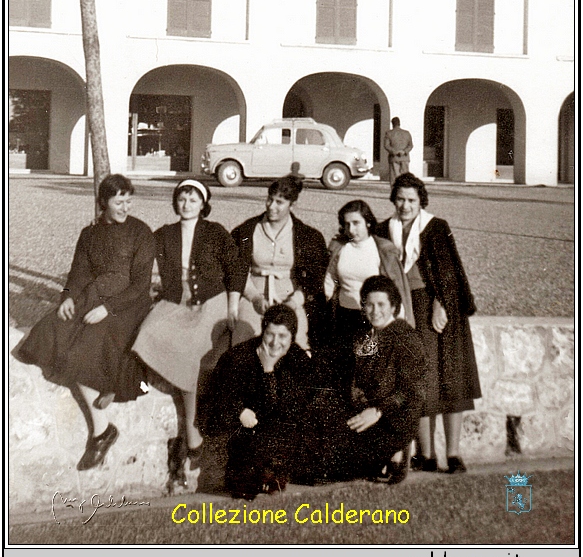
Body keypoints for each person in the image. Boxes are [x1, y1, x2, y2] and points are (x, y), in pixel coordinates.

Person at [16, 174, 155, 471]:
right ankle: (103, 384)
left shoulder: (141, 232)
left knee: (86, 344)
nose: (125, 208)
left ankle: (101, 430)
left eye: (129, 201)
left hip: (128, 305)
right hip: (94, 298)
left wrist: (107, 308)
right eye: (118, 202)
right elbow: (78, 272)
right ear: (103, 202)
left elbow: (141, 285)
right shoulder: (89, 234)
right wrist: (66, 298)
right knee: (51, 329)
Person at [132, 179, 247, 488]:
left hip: (211, 303)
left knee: (191, 355)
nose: (186, 204)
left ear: (203, 204)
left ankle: (194, 435)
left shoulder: (216, 232)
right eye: (182, 198)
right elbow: (136, 254)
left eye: (193, 199)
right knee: (145, 332)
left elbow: (237, 268)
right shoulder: (163, 234)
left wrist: (233, 306)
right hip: (175, 301)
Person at [377, 172, 481, 474]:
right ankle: (427, 454)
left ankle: (453, 453)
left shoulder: (436, 227)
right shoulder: (384, 229)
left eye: (411, 200)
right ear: (393, 200)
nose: (405, 205)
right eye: (400, 199)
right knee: (419, 380)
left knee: (450, 378)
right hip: (403, 310)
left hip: (435, 308)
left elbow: (449, 272)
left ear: (421, 201)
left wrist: (442, 304)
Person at [306, 276, 426, 485]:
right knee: (318, 458)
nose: (375, 310)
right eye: (369, 304)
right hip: (364, 414)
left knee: (335, 466)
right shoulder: (366, 337)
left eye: (381, 304)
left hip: (392, 420)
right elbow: (355, 374)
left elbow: (411, 391)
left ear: (393, 306)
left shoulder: (406, 337)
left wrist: (378, 411)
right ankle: (378, 459)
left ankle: (396, 453)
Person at [205, 304, 313, 499]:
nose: (274, 343)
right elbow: (218, 398)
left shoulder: (298, 359)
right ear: (262, 332)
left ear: (292, 337)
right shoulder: (239, 357)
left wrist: (268, 370)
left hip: (281, 438)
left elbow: (289, 408)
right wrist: (239, 411)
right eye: (270, 334)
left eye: (282, 336)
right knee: (245, 487)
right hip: (246, 437)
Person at [231, 175, 329, 351]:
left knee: (297, 341)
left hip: (289, 297)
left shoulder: (308, 236)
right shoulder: (247, 230)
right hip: (253, 294)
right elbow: (236, 270)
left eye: (279, 202)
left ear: (292, 205)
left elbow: (315, 279)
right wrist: (255, 298)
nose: (271, 206)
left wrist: (293, 302)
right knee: (244, 338)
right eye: (270, 199)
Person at [324, 199, 414, 349]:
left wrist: (399, 324)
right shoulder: (339, 248)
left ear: (368, 222)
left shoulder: (383, 250)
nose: (351, 229)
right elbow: (329, 280)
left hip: (373, 317)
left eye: (356, 223)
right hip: (344, 316)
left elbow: (396, 289)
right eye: (347, 224)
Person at [384, 116, 413, 185]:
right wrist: (404, 151)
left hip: (394, 158)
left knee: (394, 178)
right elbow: (410, 145)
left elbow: (386, 146)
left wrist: (394, 151)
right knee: (405, 177)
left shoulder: (389, 133)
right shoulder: (407, 133)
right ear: (399, 123)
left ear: (392, 124)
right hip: (404, 157)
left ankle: (395, 193)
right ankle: (405, 191)